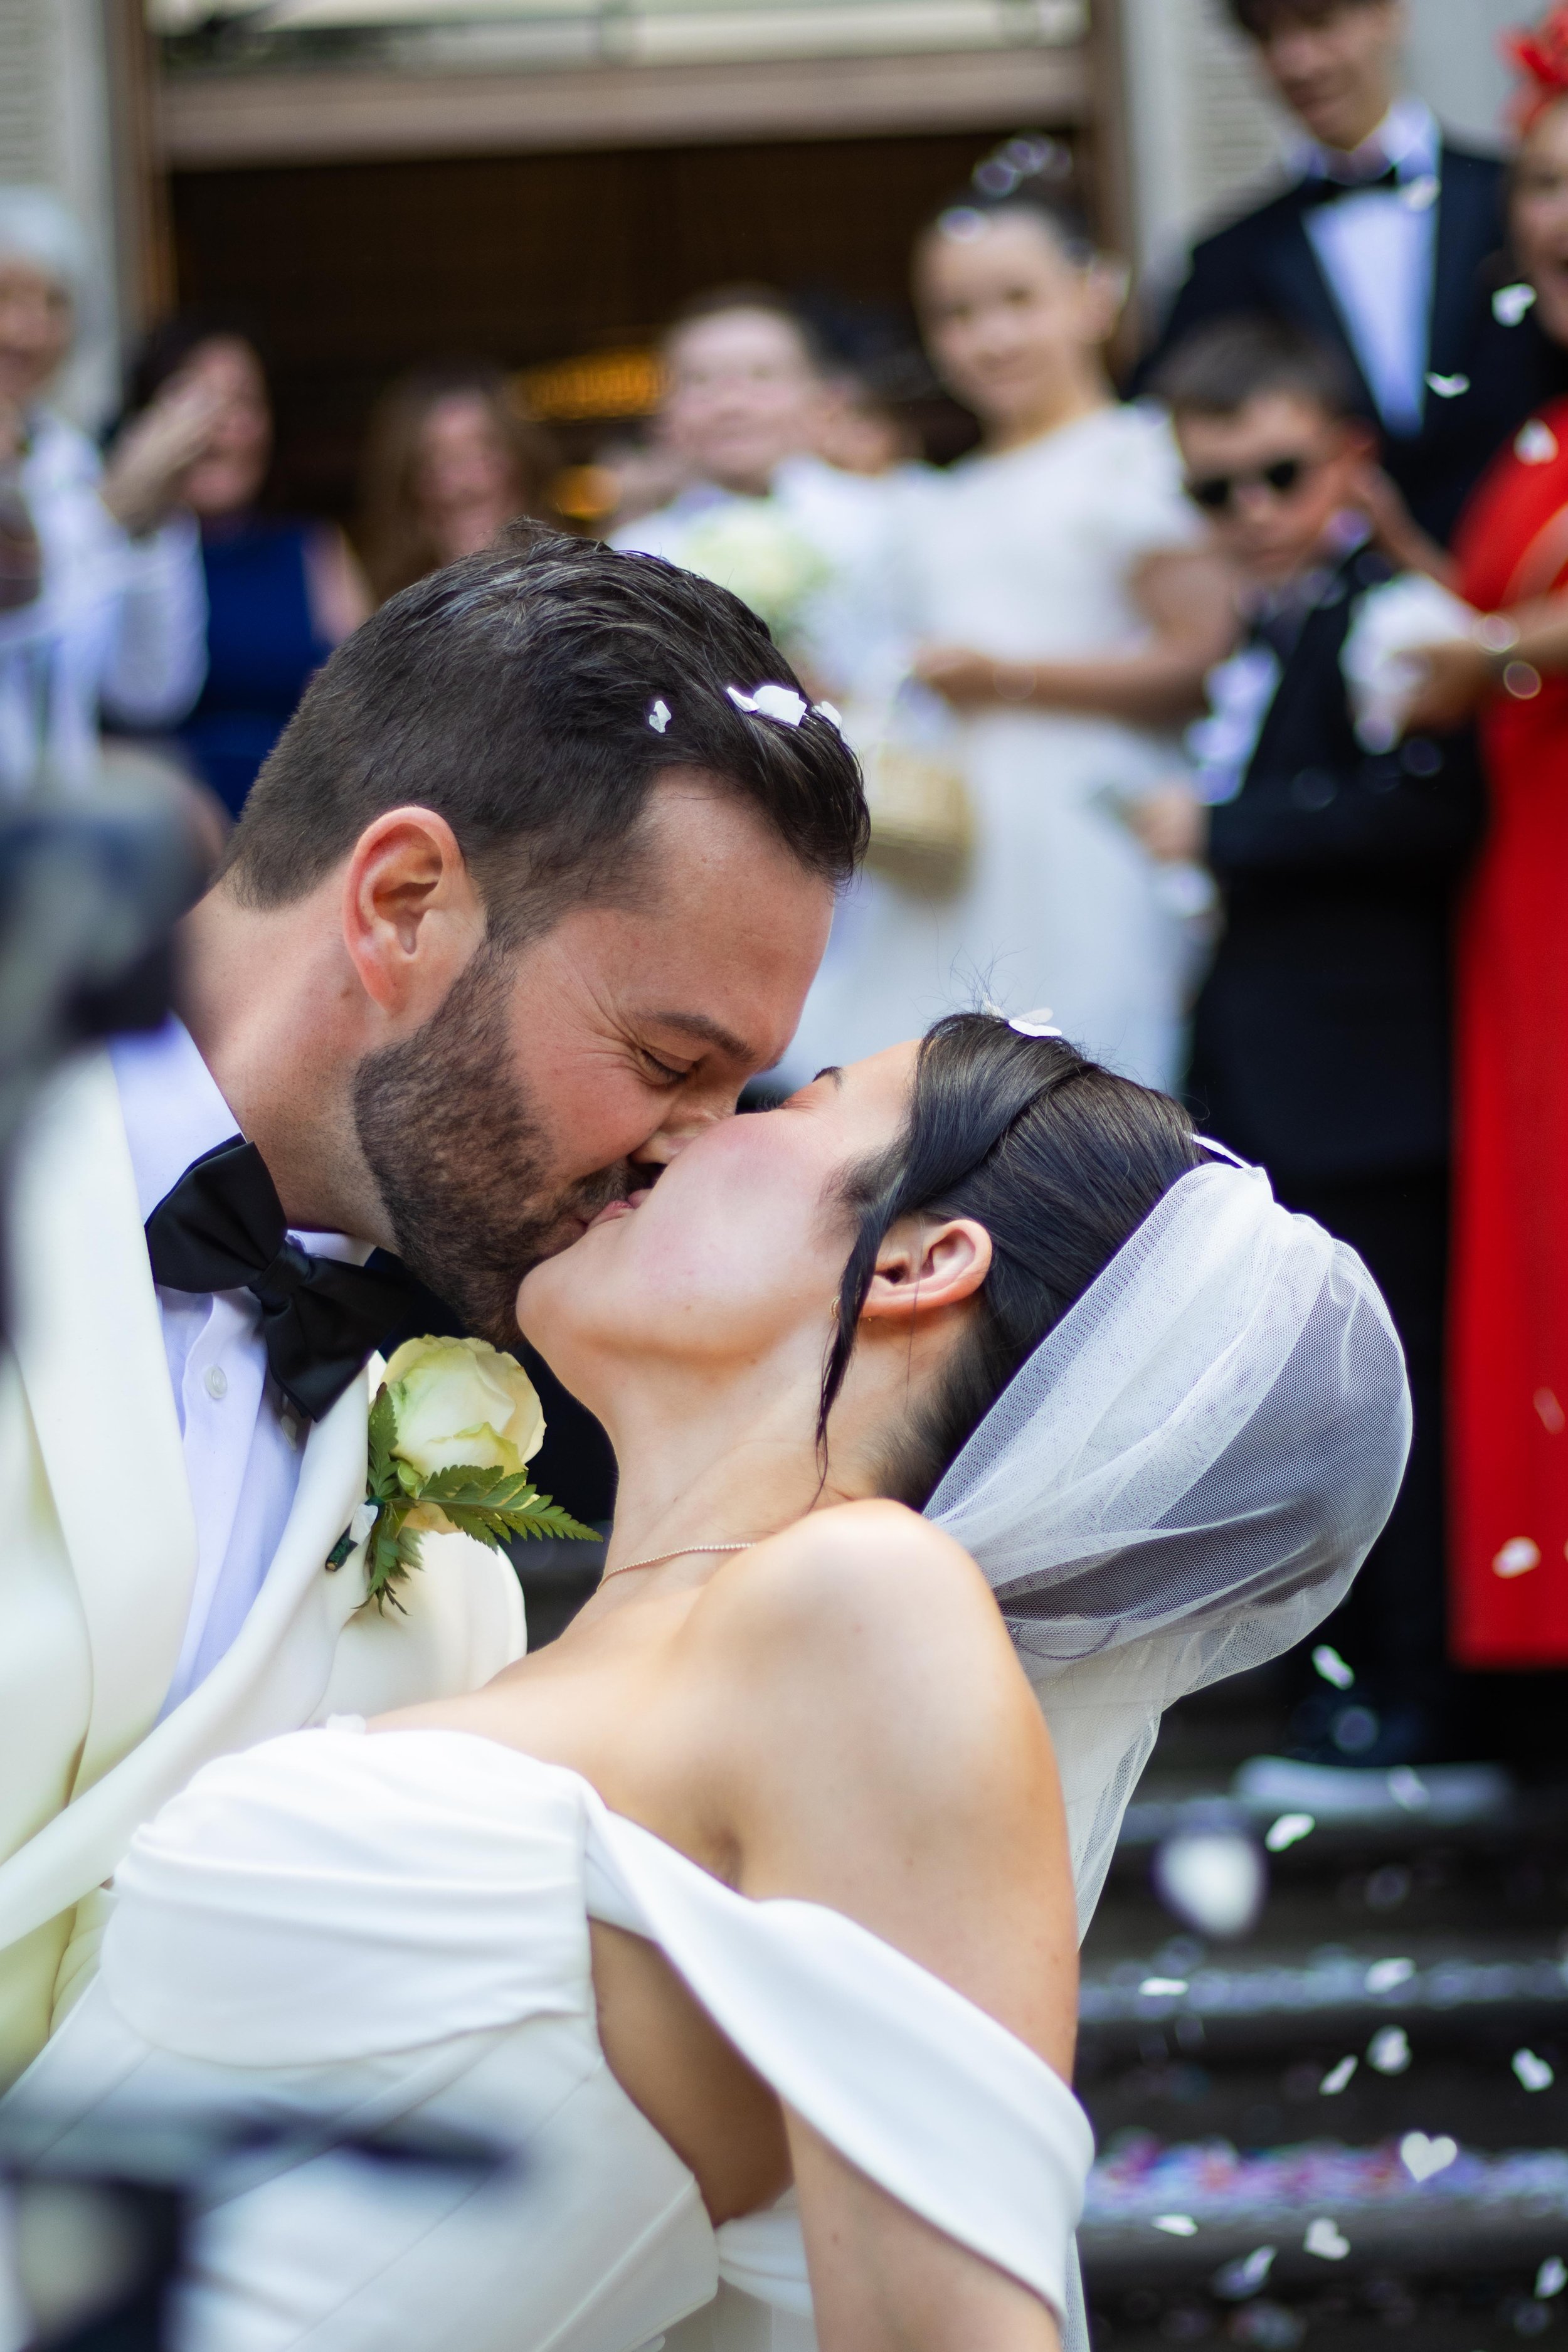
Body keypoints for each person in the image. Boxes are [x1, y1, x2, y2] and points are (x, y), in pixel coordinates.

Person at [4, 1013, 1411, 2352]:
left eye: (800, 1098)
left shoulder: (866, 1607)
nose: (674, 1137)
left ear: (921, 1259)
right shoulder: (490, 1638)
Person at [0, 527, 865, 2089]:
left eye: (741, 1092)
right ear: (403, 902)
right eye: (672, 1063)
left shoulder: (464, 1555)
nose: (694, 1157)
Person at [1132, 319, 1483, 1764]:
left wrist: (1222, 832)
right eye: (1212, 490)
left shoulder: (1396, 613)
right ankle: (1348, 1688)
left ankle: (1412, 1698)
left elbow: (1430, 809)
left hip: (1375, 1078)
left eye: (1276, 475)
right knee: (1316, 1399)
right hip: (1288, 1073)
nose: (1251, 514)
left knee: (1384, 1401)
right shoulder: (1281, 619)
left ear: (1348, 460)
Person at [780, 172, 1236, 1098]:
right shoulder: (941, 494)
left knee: (1081, 1087)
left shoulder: (1136, 458)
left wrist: (1011, 679)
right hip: (954, 837)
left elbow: (1202, 656)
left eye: (1017, 301)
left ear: (1093, 293)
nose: (989, 337)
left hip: (1085, 822)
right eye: (955, 314)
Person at [1394, 13, 1568, 1671]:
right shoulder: (1532, 423)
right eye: (1537, 184)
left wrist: (1497, 645)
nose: (1557, 217)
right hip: (1523, 889)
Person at [1138, 0, 1544, 547]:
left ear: (1388, 16)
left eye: (1319, 24)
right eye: (1267, 38)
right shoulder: (1224, 259)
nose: (1297, 62)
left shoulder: (1519, 204)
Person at [0, 188, 209, 792]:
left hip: (50, 843)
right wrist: (110, 512)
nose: (28, 331)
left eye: (54, 304)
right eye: (6, 298)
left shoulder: (68, 461)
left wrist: (147, 522)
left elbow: (149, 690)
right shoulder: (95, 488)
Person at [122, 318, 371, 819]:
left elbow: (363, 711)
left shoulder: (312, 547)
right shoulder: (121, 552)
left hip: (294, 832)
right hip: (153, 838)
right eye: (194, 400)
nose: (217, 427)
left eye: (242, 404)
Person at [612, 288, 896, 701]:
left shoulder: (881, 516)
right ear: (664, 413)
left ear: (818, 400)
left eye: (761, 377)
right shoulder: (636, 555)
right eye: (701, 382)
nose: (731, 405)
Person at [357, 364, 556, 607]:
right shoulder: (375, 619)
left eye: (483, 452)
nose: (463, 485)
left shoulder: (585, 600)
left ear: (524, 462)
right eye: (432, 458)